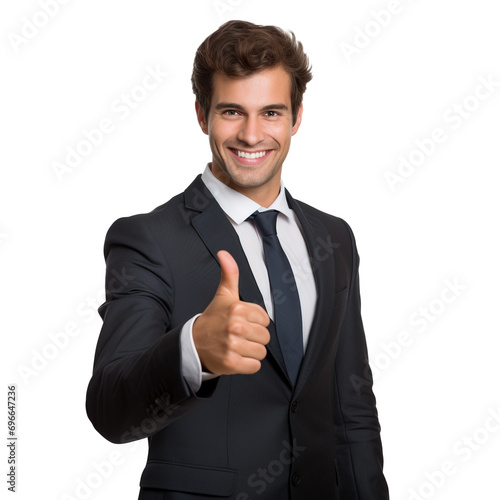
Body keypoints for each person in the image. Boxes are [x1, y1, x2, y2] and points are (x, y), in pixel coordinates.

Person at [86, 20, 389, 500]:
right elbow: (110, 407)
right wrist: (194, 351)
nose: (252, 135)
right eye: (232, 111)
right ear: (202, 114)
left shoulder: (334, 238)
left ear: (296, 117)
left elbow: (351, 406)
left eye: (271, 112)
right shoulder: (147, 239)